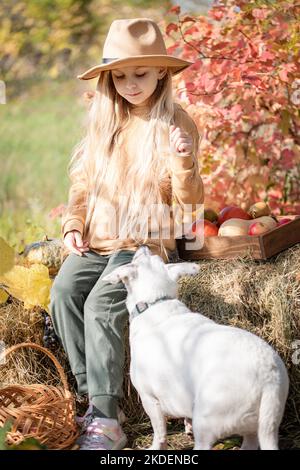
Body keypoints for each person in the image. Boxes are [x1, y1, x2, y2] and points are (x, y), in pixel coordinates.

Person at [49, 17, 204, 450]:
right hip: (98, 239)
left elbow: (188, 201)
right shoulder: (105, 122)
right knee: (63, 293)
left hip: (142, 241)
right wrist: (73, 224)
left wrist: (183, 160)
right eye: (119, 76)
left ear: (161, 72)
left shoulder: (175, 123)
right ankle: (89, 393)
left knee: (102, 304)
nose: (130, 84)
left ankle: (107, 419)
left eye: (140, 73)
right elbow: (81, 185)